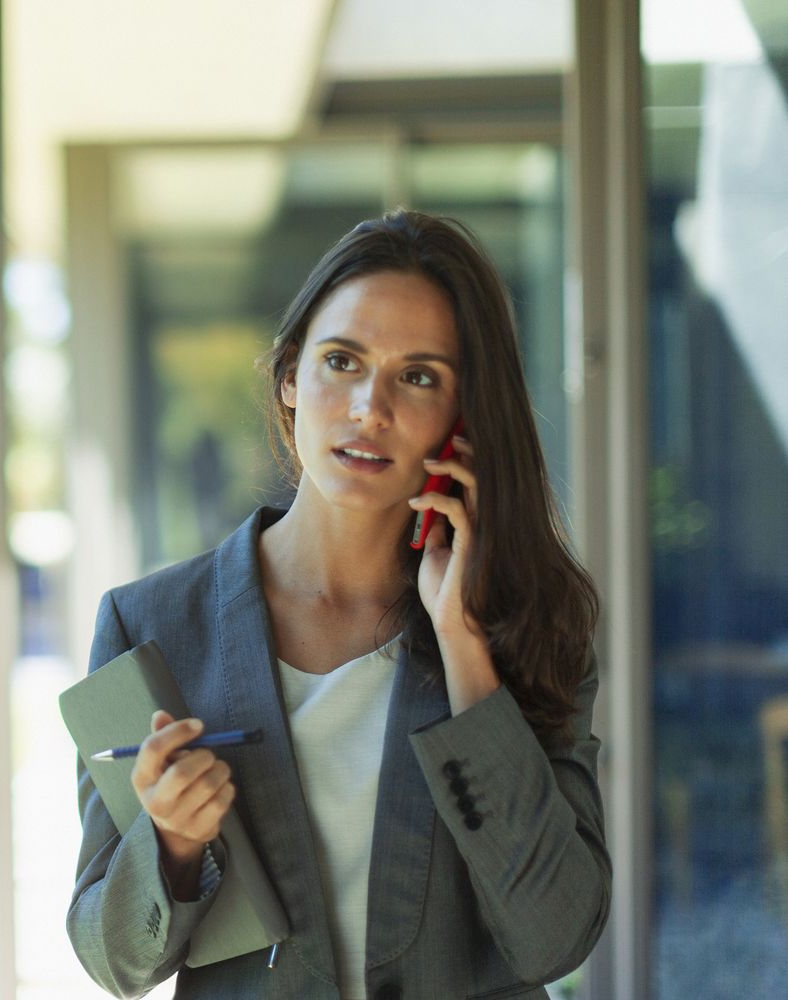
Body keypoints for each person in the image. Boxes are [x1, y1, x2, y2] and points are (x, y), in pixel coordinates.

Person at [66, 209, 610, 1000]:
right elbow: (111, 960)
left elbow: (556, 937)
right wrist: (174, 844)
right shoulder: (148, 630)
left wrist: (462, 646)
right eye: (342, 360)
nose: (370, 408)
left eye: (418, 375)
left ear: (461, 415)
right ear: (291, 376)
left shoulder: (525, 623)